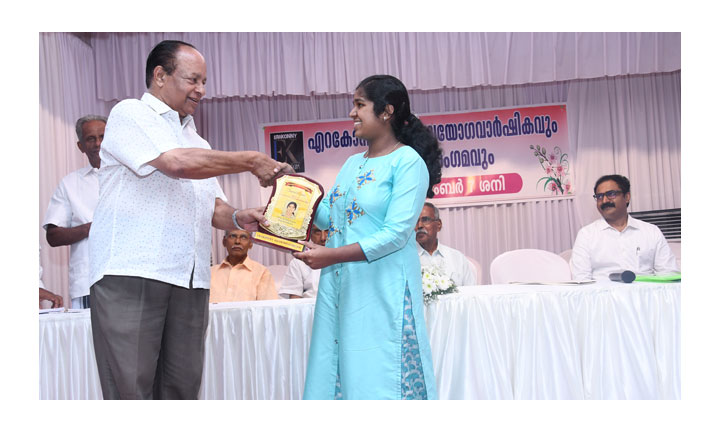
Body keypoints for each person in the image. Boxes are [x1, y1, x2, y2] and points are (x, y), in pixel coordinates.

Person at [87, 40, 292, 400]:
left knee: (181, 392)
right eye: (193, 80)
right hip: (135, 273)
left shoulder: (195, 138)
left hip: (191, 279)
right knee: (131, 393)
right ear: (160, 75)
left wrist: (243, 218)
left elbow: (214, 208)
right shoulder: (130, 113)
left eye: (205, 82)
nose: (201, 90)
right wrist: (251, 160)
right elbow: (176, 164)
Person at [294, 75, 442, 400]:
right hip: (343, 287)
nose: (352, 112)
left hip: (383, 288)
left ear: (386, 111)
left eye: (360, 104)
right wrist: (293, 191)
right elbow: (330, 219)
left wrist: (329, 256)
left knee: (381, 373)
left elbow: (395, 235)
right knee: (343, 370)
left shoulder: (408, 163)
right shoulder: (351, 164)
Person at [43, 115, 106, 309]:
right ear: (81, 146)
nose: (98, 143)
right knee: (90, 339)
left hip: (130, 281)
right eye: (91, 139)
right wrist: (91, 228)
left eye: (103, 136)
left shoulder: (132, 177)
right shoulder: (70, 184)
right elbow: (53, 236)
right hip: (88, 283)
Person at [571, 174, 678, 280]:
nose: (604, 201)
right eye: (599, 196)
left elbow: (668, 274)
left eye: (611, 194)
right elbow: (581, 280)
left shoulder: (651, 231)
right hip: (603, 296)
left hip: (646, 295)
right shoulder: (586, 235)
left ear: (626, 197)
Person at [415, 202, 477, 286]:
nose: (419, 226)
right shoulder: (405, 260)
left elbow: (471, 294)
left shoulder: (458, 258)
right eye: (415, 221)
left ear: (438, 225)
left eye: (425, 220)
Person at [210, 229, 279, 302]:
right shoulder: (210, 273)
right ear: (224, 241)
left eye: (243, 237)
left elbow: (267, 308)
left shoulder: (262, 273)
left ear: (251, 243)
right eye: (233, 236)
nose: (237, 241)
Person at [277, 225, 328, 299]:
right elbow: (294, 302)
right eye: (317, 232)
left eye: (328, 231)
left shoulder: (348, 259)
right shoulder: (299, 262)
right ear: (310, 235)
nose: (323, 238)